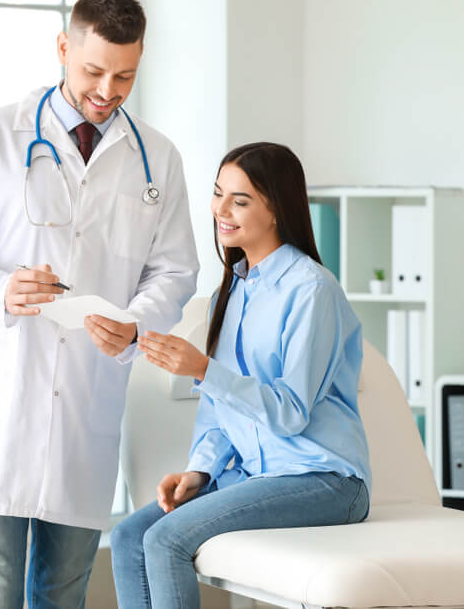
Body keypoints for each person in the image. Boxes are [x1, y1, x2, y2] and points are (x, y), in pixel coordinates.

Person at [0, 0, 199, 607]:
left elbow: (176, 271)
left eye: (125, 75)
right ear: (63, 48)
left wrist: (135, 324)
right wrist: (2, 288)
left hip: (84, 410)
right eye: (93, 71)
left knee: (62, 597)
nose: (107, 90)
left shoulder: (158, 158)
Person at [110, 142, 371, 609]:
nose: (221, 210)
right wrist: (200, 470)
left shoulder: (312, 291)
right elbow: (219, 410)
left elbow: (290, 413)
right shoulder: (230, 293)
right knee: (131, 534)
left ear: (277, 210)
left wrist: (202, 369)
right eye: (217, 194)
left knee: (166, 540)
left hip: (325, 478)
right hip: (255, 475)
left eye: (241, 200)